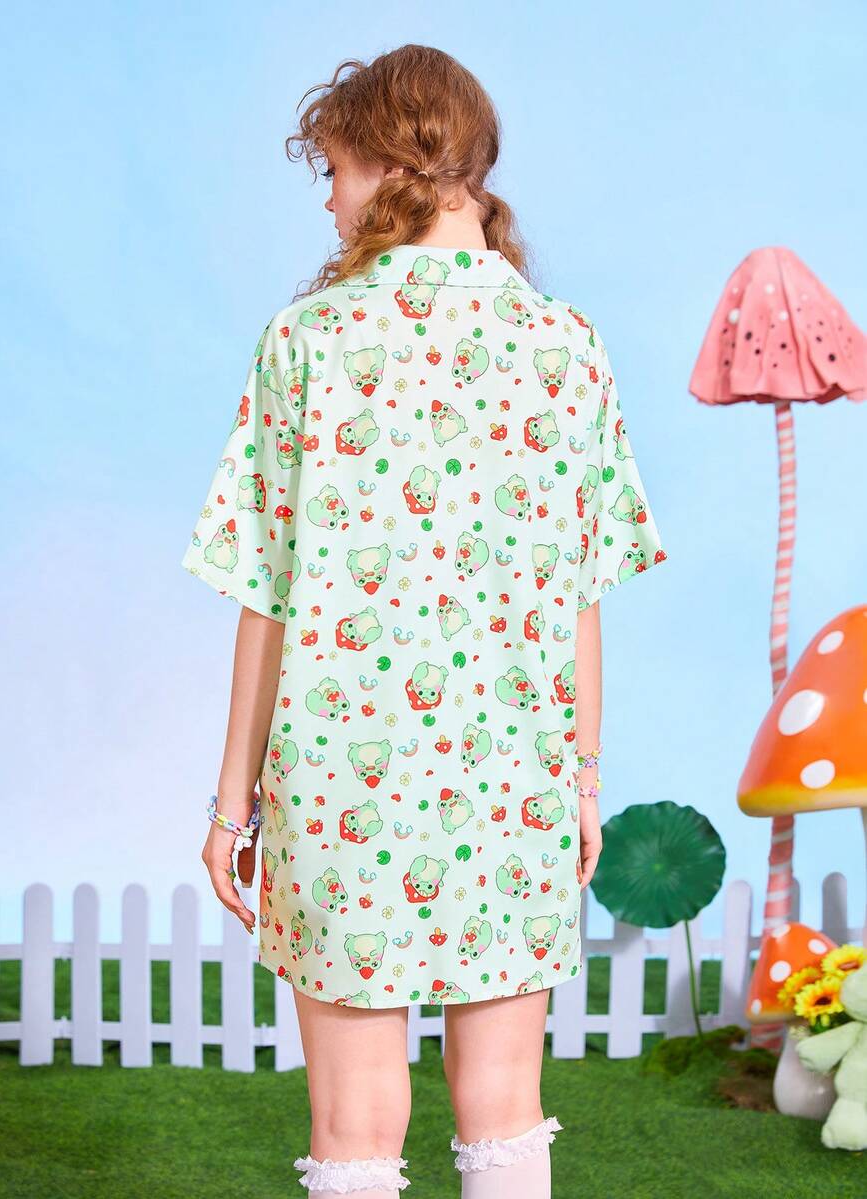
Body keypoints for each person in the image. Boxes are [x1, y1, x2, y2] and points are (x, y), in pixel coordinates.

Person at [181, 43, 668, 1199]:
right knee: (506, 1107)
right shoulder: (567, 347)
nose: (330, 201)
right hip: (512, 777)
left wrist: (231, 803)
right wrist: (583, 775)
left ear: (389, 161)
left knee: (353, 1118)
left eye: (334, 170)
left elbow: (267, 593)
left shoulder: (306, 341)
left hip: (341, 784)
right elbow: (580, 592)